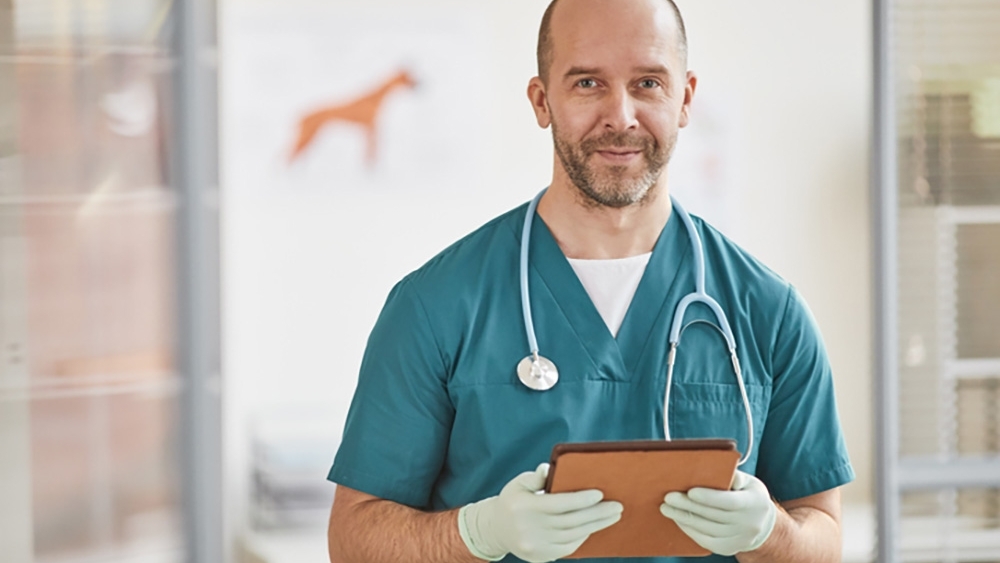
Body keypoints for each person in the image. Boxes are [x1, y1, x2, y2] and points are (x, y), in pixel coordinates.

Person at [326, 0, 855, 562]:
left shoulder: (767, 311)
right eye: (587, 83)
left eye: (648, 82)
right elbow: (354, 541)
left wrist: (770, 533)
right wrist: (477, 533)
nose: (621, 115)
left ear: (685, 99)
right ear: (541, 100)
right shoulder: (436, 306)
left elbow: (822, 532)